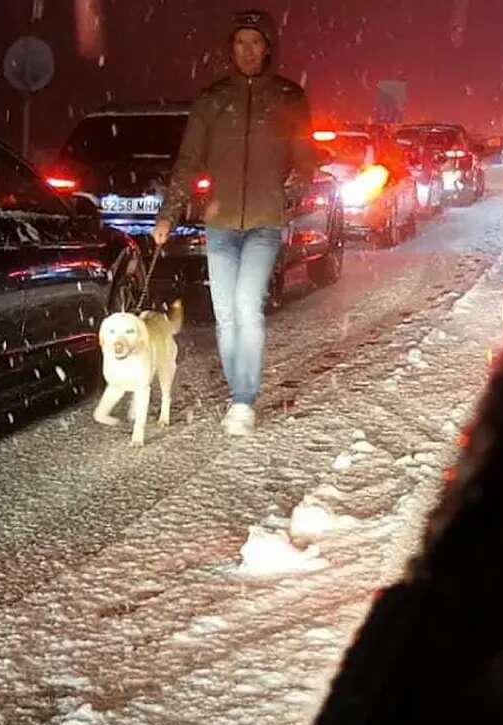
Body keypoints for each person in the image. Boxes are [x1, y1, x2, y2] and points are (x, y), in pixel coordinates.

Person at [152, 8, 317, 437]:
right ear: (231, 48)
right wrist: (168, 214)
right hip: (220, 223)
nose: (247, 51)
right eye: (240, 42)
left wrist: (292, 187)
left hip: (264, 221)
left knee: (247, 306)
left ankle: (244, 400)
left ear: (267, 48)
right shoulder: (212, 100)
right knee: (225, 314)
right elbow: (188, 162)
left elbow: (306, 159)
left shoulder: (288, 98)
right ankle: (236, 391)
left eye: (255, 42)